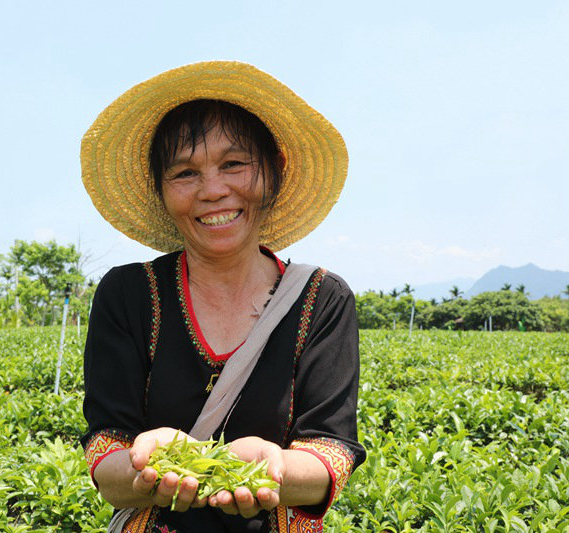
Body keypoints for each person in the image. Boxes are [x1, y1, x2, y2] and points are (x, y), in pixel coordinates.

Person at [80, 62, 365, 533]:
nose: (213, 190)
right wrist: (150, 462)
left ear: (274, 172)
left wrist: (273, 466)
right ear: (161, 190)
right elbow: (107, 450)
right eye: (185, 173)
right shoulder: (128, 293)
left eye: (233, 164)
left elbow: (330, 452)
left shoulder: (321, 298)